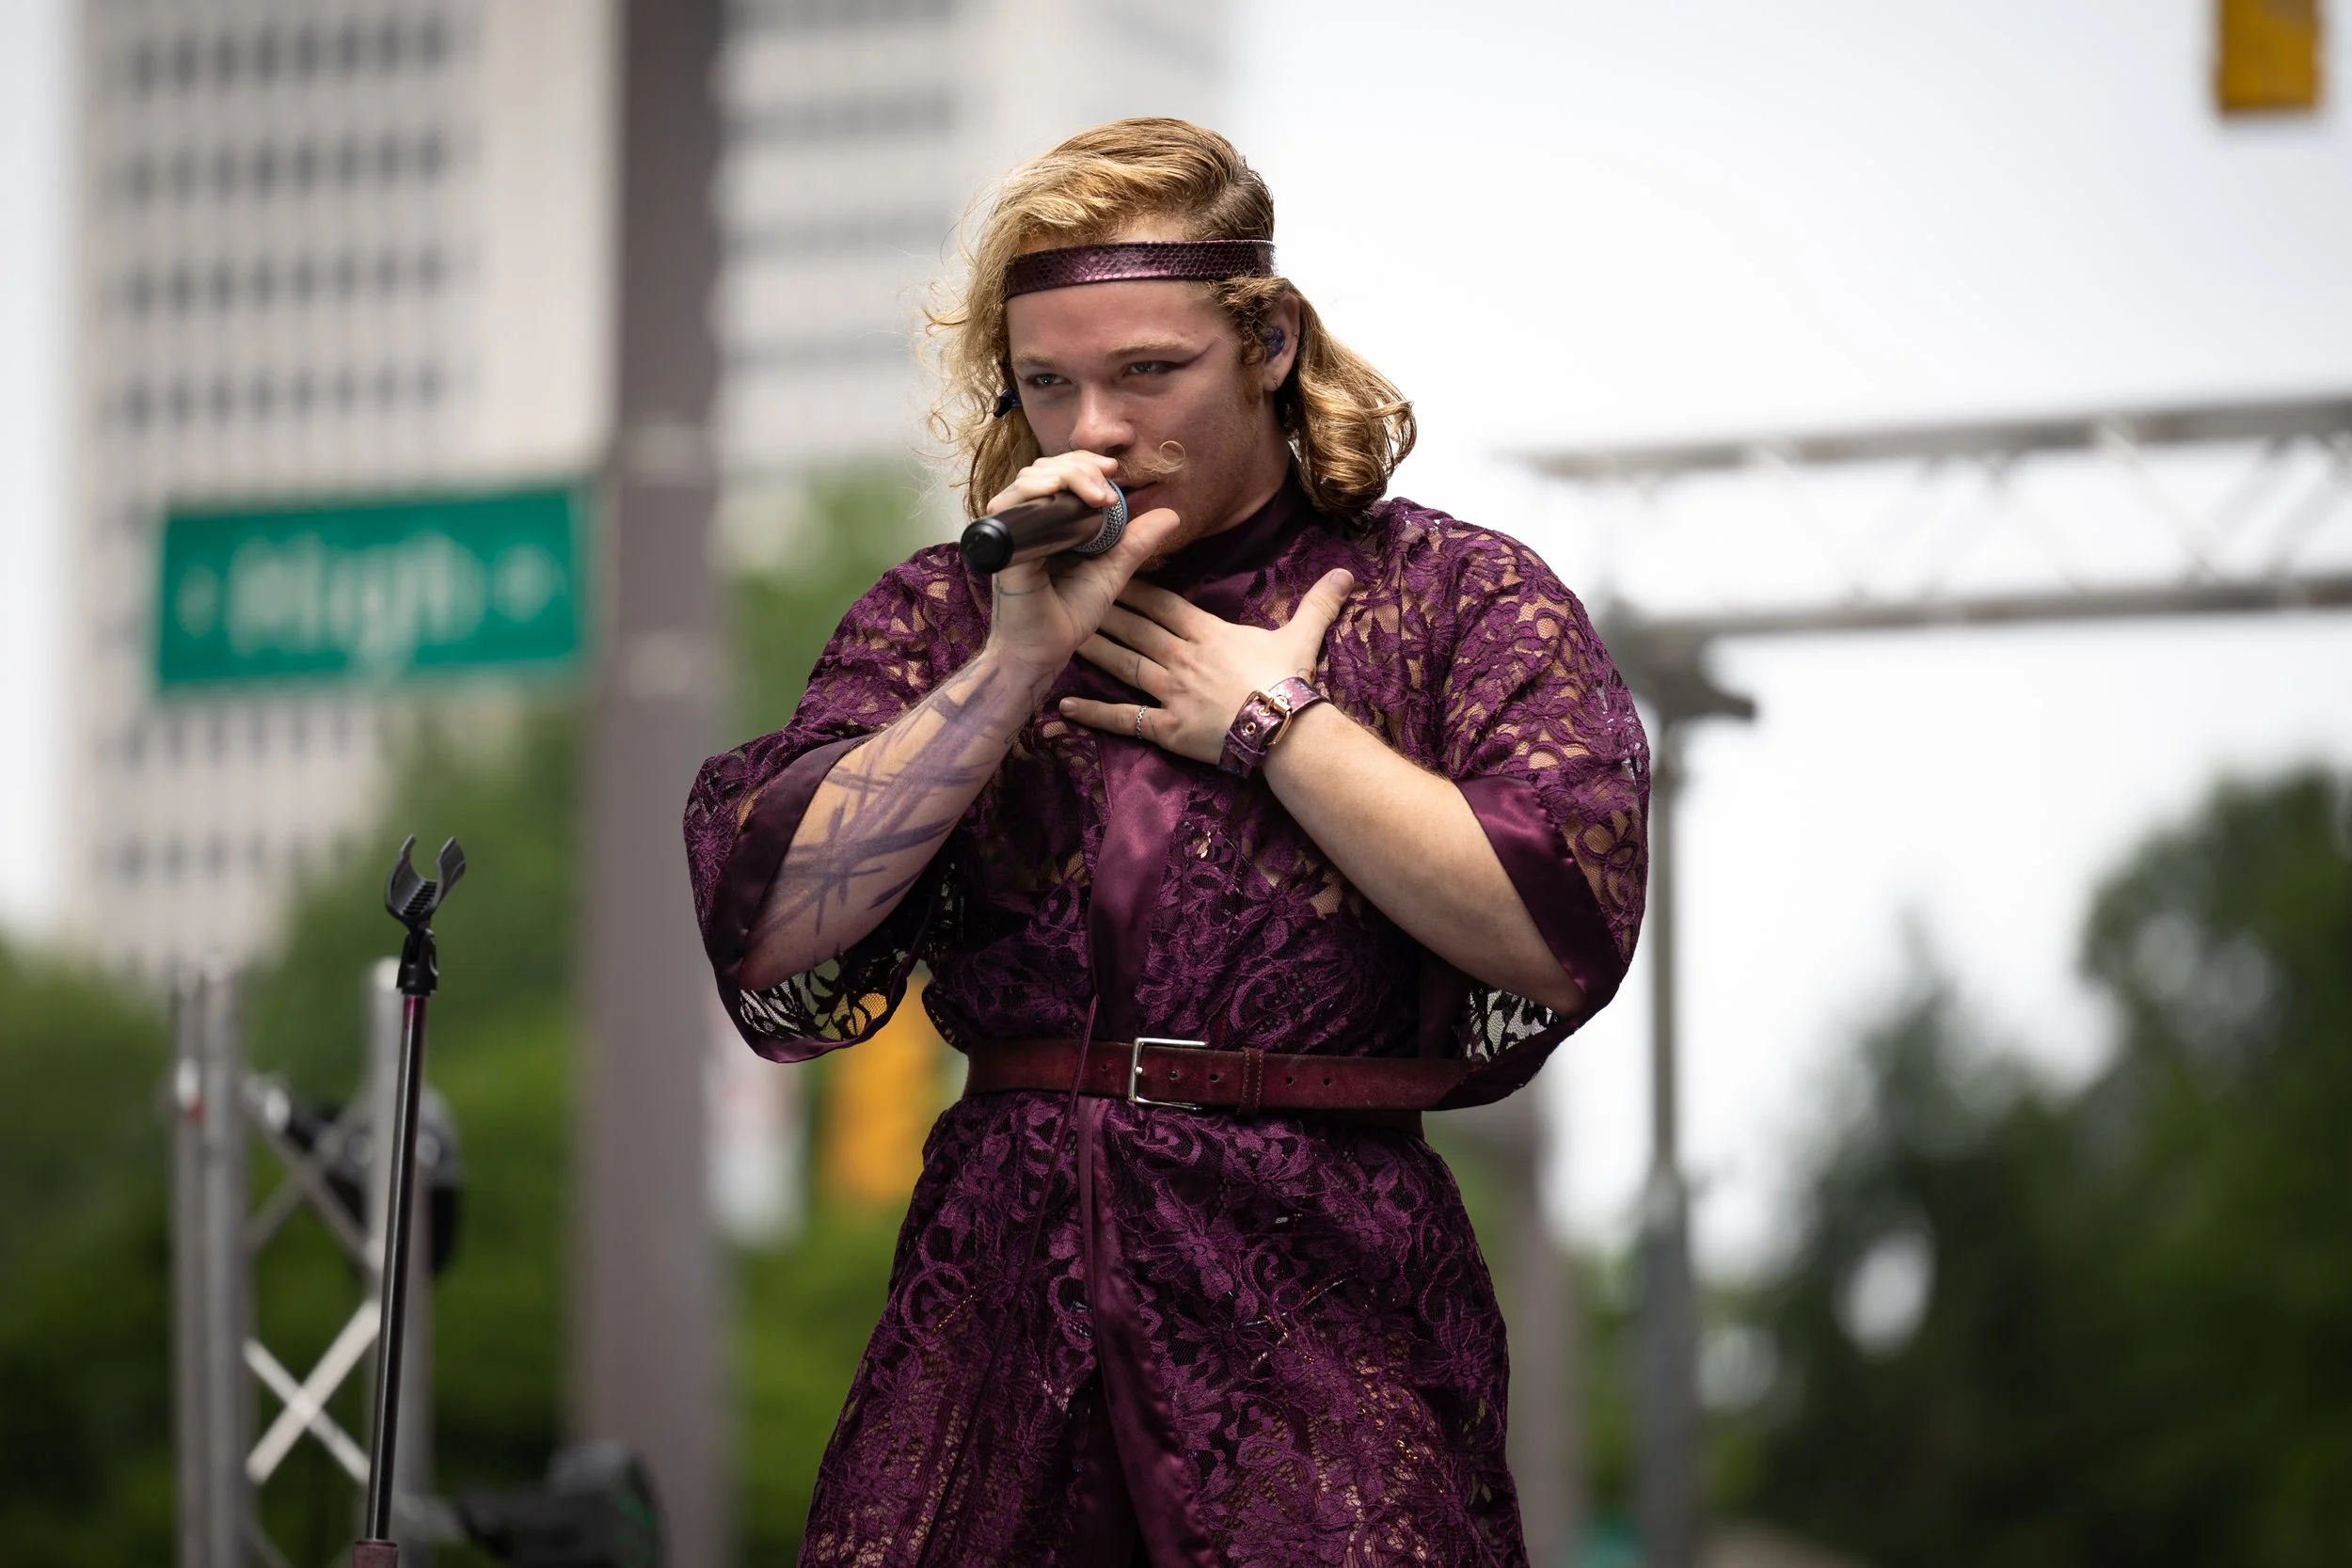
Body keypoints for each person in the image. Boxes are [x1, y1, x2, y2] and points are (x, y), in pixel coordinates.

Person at [684, 118, 1649, 1568]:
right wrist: (1012, 666)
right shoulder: (952, 613)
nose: (1095, 432)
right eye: (1050, 384)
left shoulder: (1456, 594)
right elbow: (767, 922)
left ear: (1266, 342)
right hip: (998, 1311)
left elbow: (1560, 921)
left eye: (1149, 371)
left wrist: (1276, 722)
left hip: (1322, 1319)